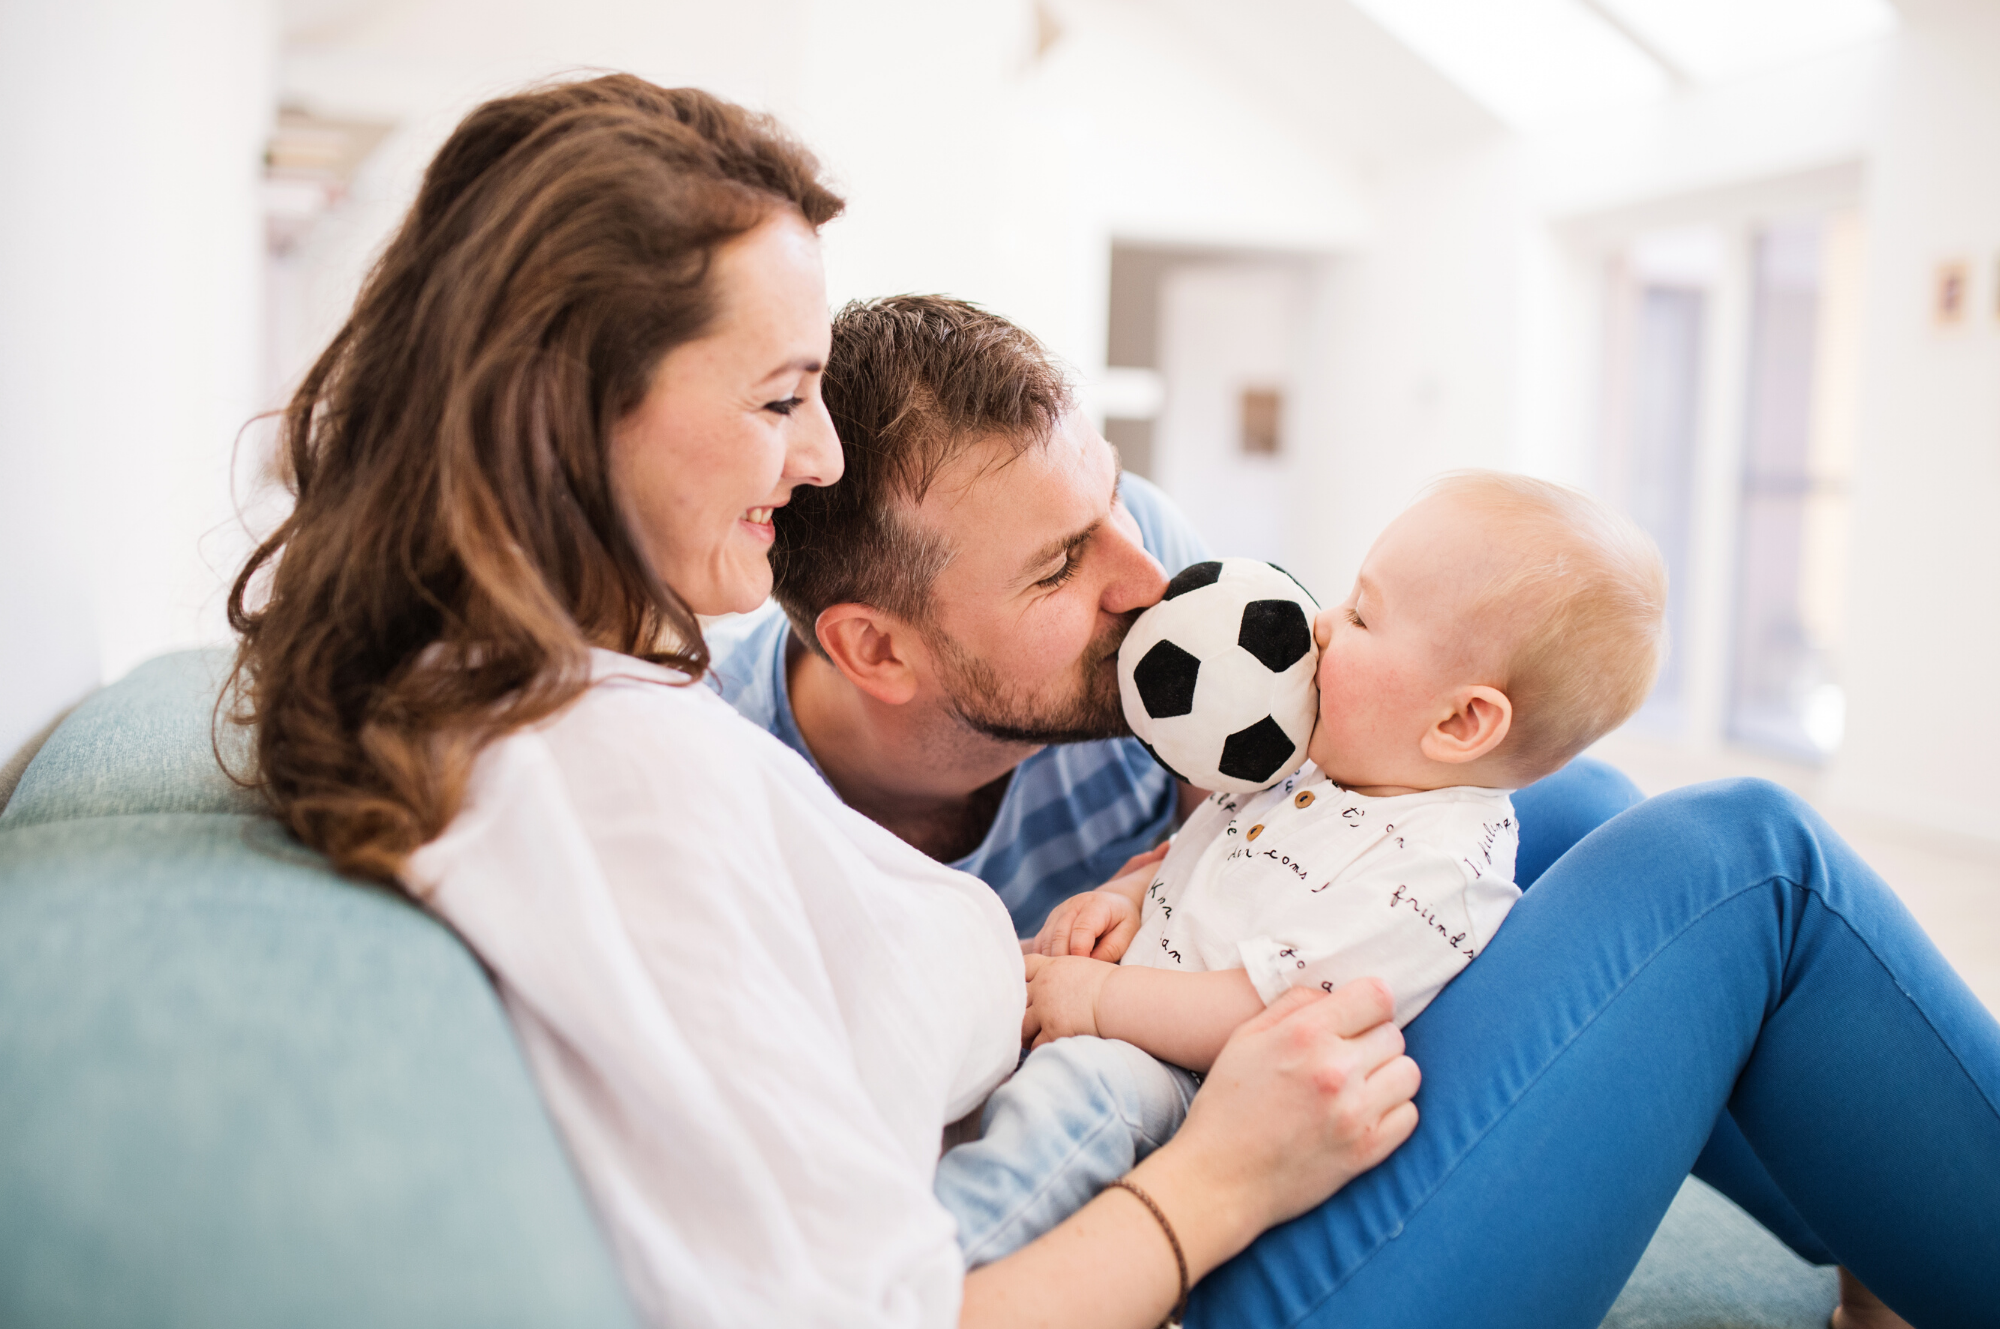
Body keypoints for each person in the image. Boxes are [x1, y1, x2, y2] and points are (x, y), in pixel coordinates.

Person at [223, 75, 2000, 1329]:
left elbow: (1368, 756)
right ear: (876, 653)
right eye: (776, 399)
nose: (1160, 587)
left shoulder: (597, 703)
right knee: (1746, 855)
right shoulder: (612, 779)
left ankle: (1892, 1223)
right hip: (1187, 1216)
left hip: (1181, 1094)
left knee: (1561, 816)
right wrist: (1214, 1162)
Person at [709, 294, 1637, 939]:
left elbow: (1264, 826)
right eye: (1061, 564)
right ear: (875, 649)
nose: (1149, 578)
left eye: (1111, 497)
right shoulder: (738, 804)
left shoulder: (1151, 554)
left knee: (1592, 811)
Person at [936, 471, 1664, 1264]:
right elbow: (1199, 853)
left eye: (1362, 614)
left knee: (1072, 1101)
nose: (1321, 623)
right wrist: (1126, 896)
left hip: (1200, 1090)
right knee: (966, 1031)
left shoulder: (1433, 875)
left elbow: (1260, 1009)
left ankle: (940, 1272)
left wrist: (1101, 997)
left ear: (1460, 720)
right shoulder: (1323, 759)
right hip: (1128, 1010)